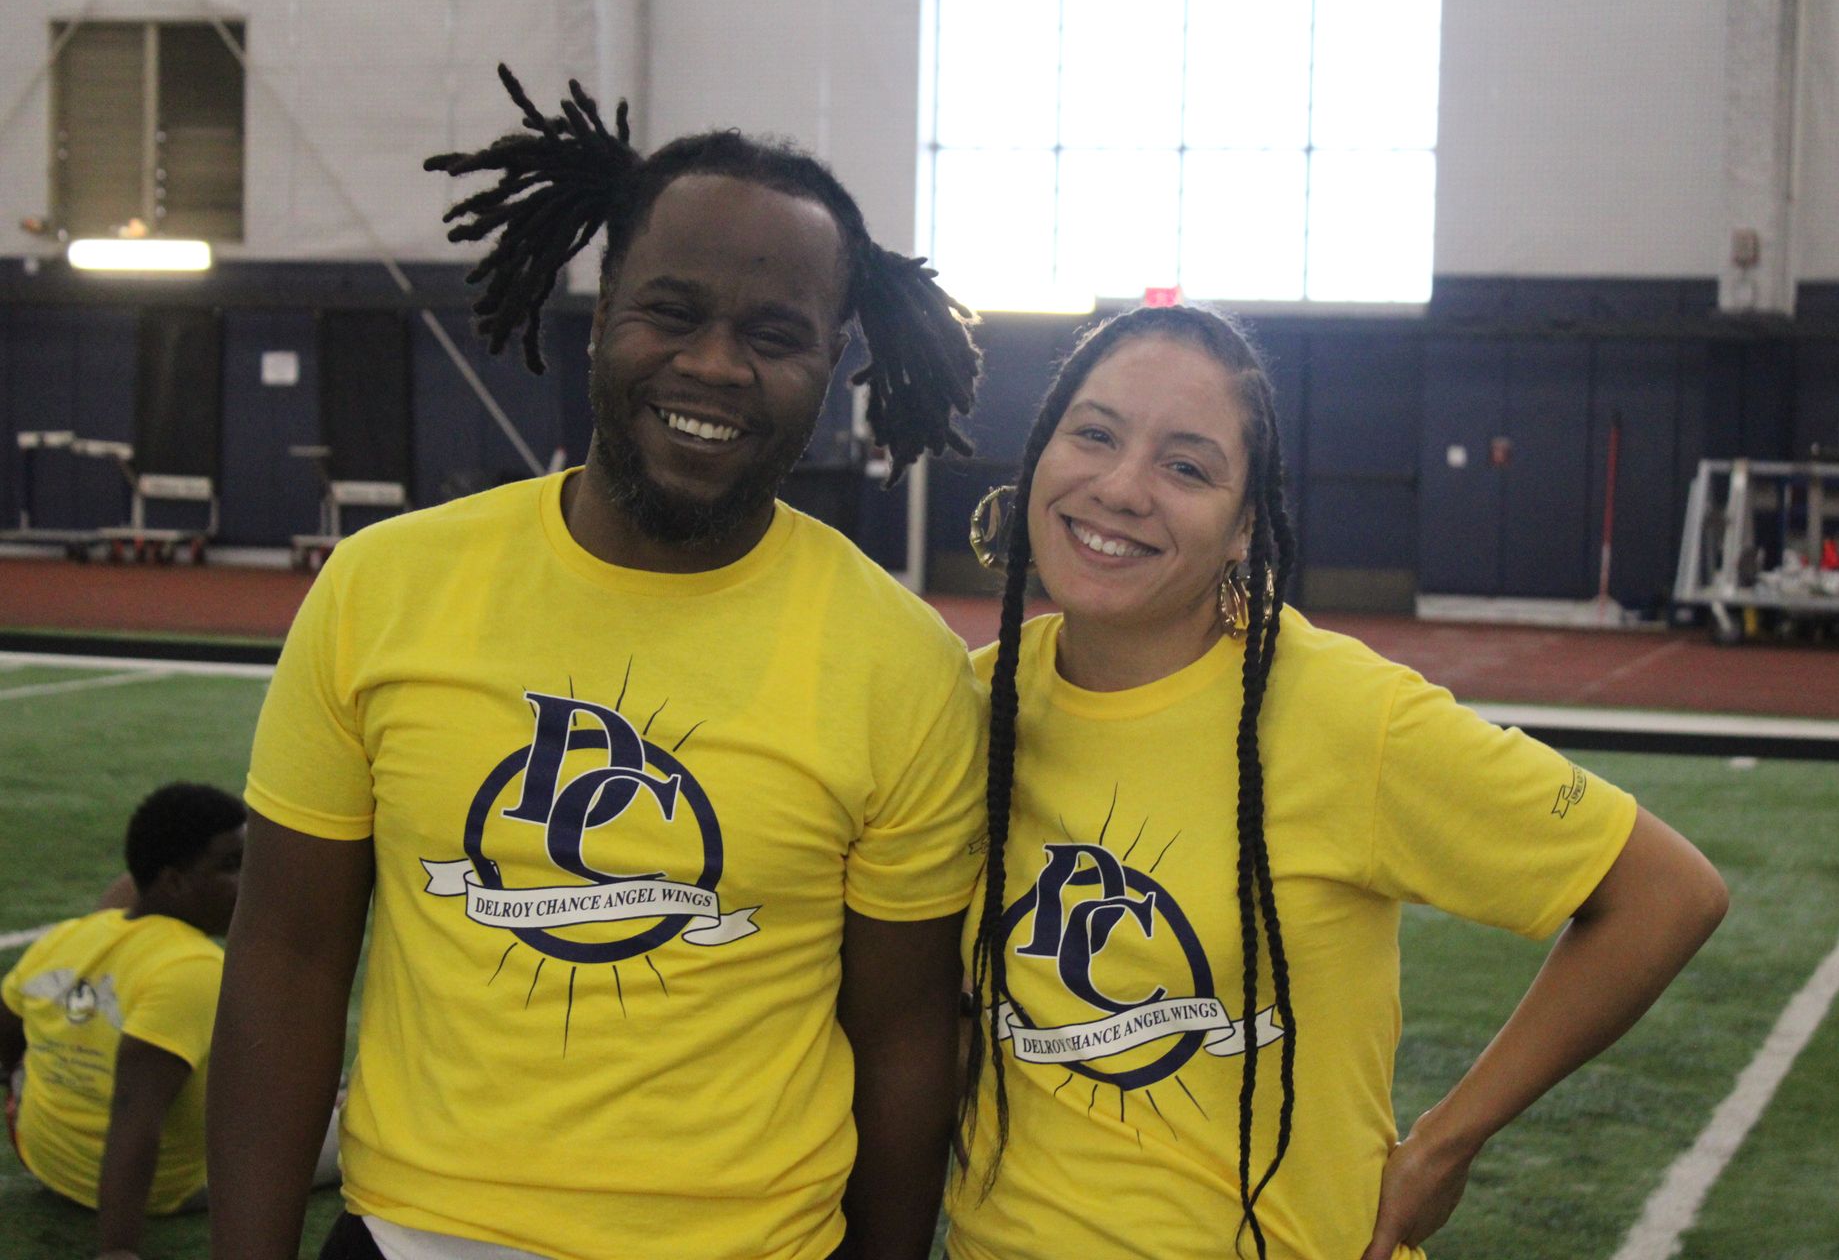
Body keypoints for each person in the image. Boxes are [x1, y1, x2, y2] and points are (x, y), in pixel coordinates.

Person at [208, 68, 985, 1260]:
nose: (714, 363)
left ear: (834, 360)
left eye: (774, 335)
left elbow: (904, 1033)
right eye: (672, 311)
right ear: (603, 307)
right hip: (419, 1235)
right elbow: (287, 956)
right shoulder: (380, 587)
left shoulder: (905, 661)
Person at [945, 305, 1730, 1260]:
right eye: (1095, 435)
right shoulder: (971, 703)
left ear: (1245, 527)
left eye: (1186, 467)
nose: (1120, 488)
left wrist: (1447, 1142)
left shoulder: (1346, 714)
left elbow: (1665, 892)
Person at [2, 783, 263, 1258]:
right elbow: (133, 1119)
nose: (249, 881)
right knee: (330, 1122)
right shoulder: (194, 969)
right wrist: (117, 1250)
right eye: (231, 866)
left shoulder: (67, 937)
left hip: (42, 1158)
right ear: (174, 881)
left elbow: (4, 1043)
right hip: (165, 1185)